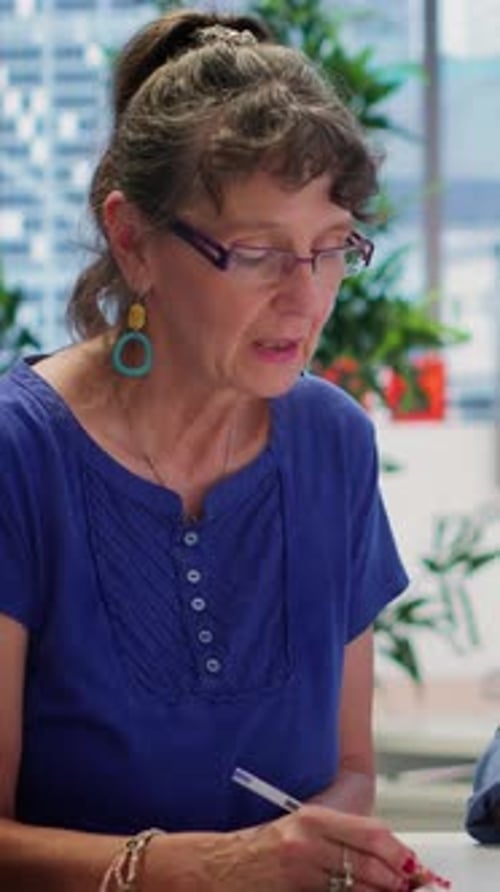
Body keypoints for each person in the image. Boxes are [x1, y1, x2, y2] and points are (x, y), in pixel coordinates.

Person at [0, 8, 438, 891]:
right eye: (256, 252)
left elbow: (351, 770)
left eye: (329, 249)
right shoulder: (18, 456)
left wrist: (329, 851)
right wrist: (212, 867)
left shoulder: (334, 443)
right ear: (132, 240)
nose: (305, 297)